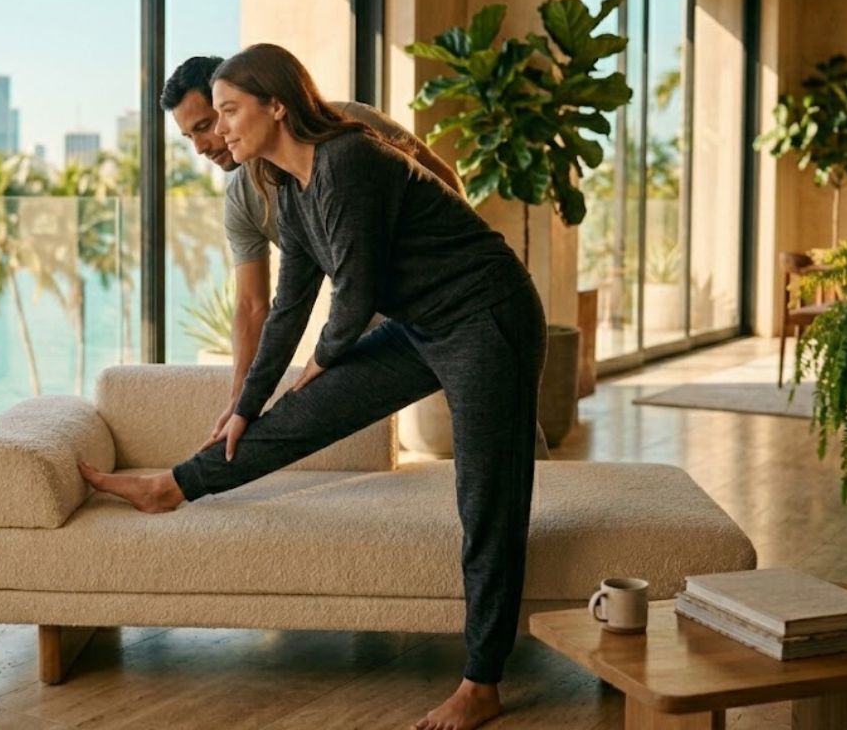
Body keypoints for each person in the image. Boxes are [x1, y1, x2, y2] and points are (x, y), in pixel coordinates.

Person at [82, 43, 547, 730]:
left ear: (276, 104)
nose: (221, 130)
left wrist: (321, 361)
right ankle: (170, 487)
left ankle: (482, 681)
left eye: (229, 112)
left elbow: (353, 296)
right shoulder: (289, 195)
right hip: (422, 327)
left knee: (486, 500)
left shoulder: (349, 158)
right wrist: (245, 404)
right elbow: (284, 309)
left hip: (486, 316)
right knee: (293, 418)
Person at [159, 56, 464, 436]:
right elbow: (256, 305)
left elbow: (445, 182)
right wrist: (240, 399)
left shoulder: (349, 126)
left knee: (492, 416)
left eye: (206, 125)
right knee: (323, 407)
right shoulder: (246, 200)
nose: (202, 146)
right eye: (190, 137)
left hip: (445, 297)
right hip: (367, 308)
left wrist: (461, 274)